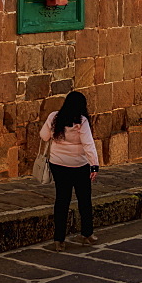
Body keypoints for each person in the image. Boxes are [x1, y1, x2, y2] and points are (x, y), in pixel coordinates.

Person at [39, 91, 100, 251]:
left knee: (62, 201)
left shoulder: (54, 117)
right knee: (84, 200)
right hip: (79, 166)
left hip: (58, 164)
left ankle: (59, 239)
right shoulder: (82, 121)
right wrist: (94, 165)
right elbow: (88, 144)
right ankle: (87, 234)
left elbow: (44, 136)